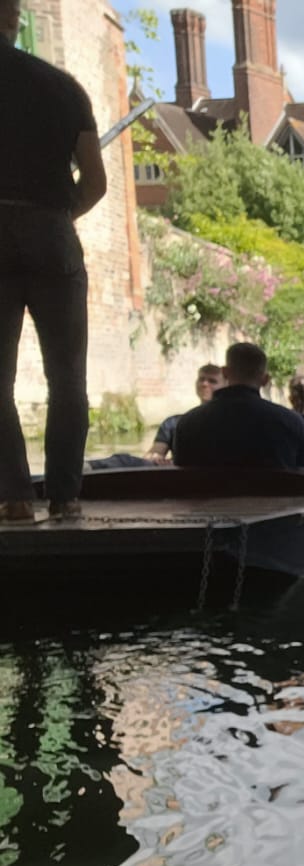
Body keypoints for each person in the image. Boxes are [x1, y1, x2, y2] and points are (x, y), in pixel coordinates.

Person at [0, 0, 107, 522]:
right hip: (52, 232)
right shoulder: (64, 87)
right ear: (15, 17)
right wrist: (60, 218)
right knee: (67, 379)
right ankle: (65, 496)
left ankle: (14, 497)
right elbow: (96, 182)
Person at [172, 342, 304, 471]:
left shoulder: (188, 422)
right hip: (272, 502)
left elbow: (181, 472)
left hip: (210, 501)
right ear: (265, 380)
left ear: (225, 372)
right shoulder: (290, 421)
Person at [146, 363, 222, 463]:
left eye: (212, 381)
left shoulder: (230, 422)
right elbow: (155, 453)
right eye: (201, 379)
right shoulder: (172, 423)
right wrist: (155, 458)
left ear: (225, 385)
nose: (204, 384)